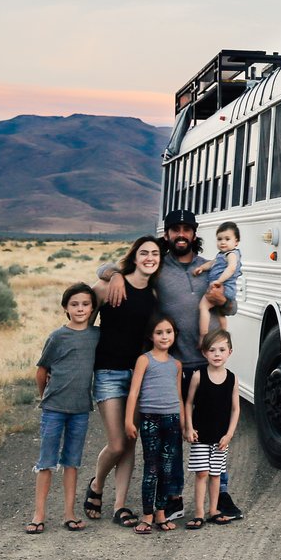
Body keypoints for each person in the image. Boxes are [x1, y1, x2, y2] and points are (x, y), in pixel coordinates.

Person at [99, 209, 242, 520]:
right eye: (174, 229)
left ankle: (222, 497)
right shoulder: (159, 267)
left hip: (206, 365)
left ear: (193, 234)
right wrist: (114, 276)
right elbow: (107, 266)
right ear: (167, 235)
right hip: (173, 365)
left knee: (214, 431)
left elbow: (232, 303)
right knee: (174, 436)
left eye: (186, 230)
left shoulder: (212, 264)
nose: (180, 234)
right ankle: (173, 496)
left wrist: (223, 302)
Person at [84, 236, 161, 529]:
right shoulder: (107, 286)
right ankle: (97, 484)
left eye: (154, 254)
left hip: (139, 377)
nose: (149, 258)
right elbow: (82, 327)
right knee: (116, 443)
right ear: (135, 256)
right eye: (144, 253)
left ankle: (120, 506)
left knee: (130, 441)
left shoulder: (153, 295)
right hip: (108, 373)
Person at [27, 282, 99, 534]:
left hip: (80, 409)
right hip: (54, 408)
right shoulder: (57, 337)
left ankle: (69, 513)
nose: (80, 309)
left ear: (92, 308)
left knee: (72, 462)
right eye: (74, 304)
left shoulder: (96, 336)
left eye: (85, 304)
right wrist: (45, 397)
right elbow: (41, 371)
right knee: (46, 461)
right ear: (65, 308)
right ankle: (38, 515)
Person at [124, 314, 184, 534]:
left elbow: (179, 397)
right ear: (151, 336)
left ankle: (161, 512)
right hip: (150, 420)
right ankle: (147, 515)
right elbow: (134, 392)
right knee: (151, 468)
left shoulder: (176, 364)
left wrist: (185, 425)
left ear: (174, 334)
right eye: (159, 332)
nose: (164, 336)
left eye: (168, 332)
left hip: (172, 420)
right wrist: (129, 420)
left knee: (167, 469)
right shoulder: (144, 360)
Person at [182, 328, 240, 528]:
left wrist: (229, 434)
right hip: (201, 434)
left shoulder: (232, 378)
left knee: (216, 473)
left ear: (229, 352)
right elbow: (189, 403)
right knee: (202, 473)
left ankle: (213, 509)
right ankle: (198, 513)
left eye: (222, 350)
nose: (217, 354)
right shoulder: (199, 376)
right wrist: (189, 428)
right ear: (204, 352)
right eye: (212, 350)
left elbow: (235, 409)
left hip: (221, 437)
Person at [192, 221, 242, 346]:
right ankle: (224, 338)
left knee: (203, 307)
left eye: (227, 239)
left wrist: (218, 282)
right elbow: (211, 264)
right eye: (219, 239)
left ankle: (203, 336)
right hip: (225, 289)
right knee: (220, 314)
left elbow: (231, 268)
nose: (223, 242)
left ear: (236, 242)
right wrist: (202, 268)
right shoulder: (221, 255)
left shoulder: (231, 255)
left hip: (223, 287)